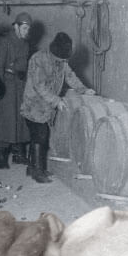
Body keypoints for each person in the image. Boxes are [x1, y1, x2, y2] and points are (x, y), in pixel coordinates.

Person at [21, 31, 93, 184]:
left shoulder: (62, 61)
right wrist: (56, 101)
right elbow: (39, 86)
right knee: (40, 136)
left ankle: (34, 168)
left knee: (40, 136)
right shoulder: (38, 59)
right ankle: (37, 172)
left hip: (45, 106)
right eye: (61, 59)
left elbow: (70, 76)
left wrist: (84, 89)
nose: (63, 62)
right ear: (54, 52)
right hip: (33, 104)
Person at [0, 11, 33, 169]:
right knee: (5, 120)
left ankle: (18, 154)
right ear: (15, 26)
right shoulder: (4, 42)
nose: (26, 32)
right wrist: (0, 88)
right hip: (7, 84)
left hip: (20, 85)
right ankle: (1, 156)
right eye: (23, 28)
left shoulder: (25, 44)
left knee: (21, 120)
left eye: (28, 29)